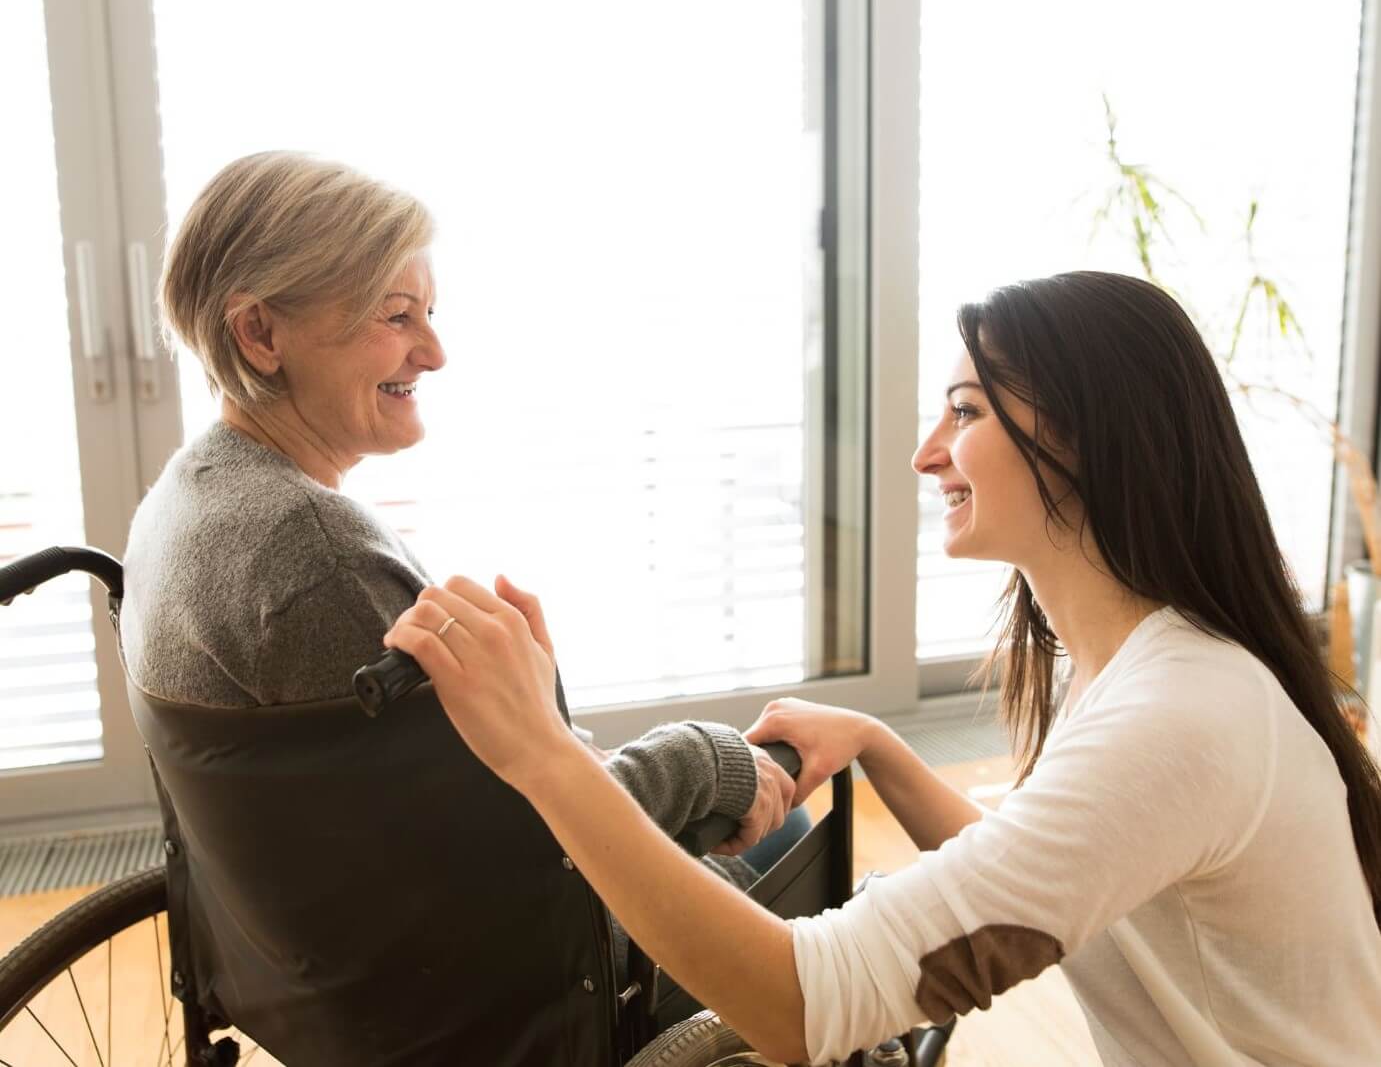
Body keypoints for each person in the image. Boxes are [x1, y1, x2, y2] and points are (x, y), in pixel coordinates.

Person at [387, 270, 1381, 1066]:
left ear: (1089, 435)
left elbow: (798, 1004)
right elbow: (1034, 886)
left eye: (964, 411)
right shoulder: (1145, 668)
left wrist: (544, 754)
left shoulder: (1179, 713)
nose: (923, 454)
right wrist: (881, 746)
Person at [119, 151, 797, 956]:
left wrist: (535, 706)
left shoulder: (184, 494)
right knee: (792, 831)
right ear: (261, 332)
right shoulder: (310, 551)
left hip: (321, 935)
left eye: (430, 313)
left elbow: (438, 785)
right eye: (396, 315)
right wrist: (703, 759)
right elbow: (529, 832)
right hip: (493, 968)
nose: (433, 352)